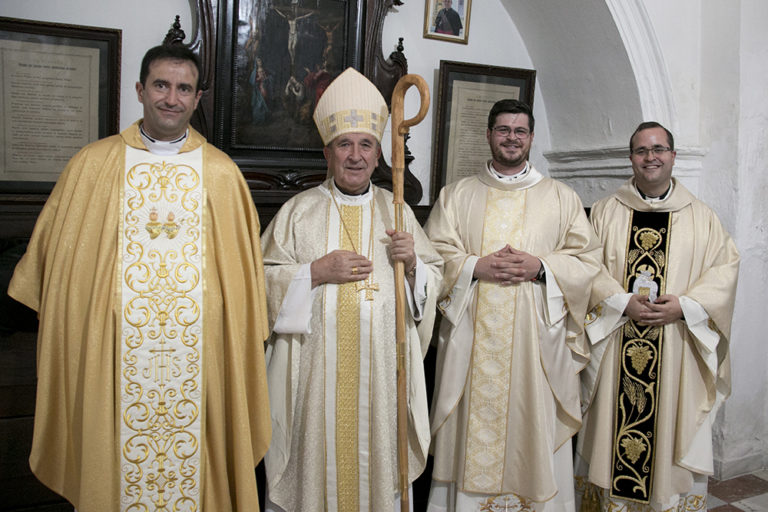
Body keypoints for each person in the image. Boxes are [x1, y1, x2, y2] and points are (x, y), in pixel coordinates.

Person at [7, 45, 271, 511]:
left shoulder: (222, 174)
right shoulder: (94, 165)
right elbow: (57, 265)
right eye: (161, 85)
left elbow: (245, 286)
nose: (172, 98)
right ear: (140, 90)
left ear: (197, 98)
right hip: (112, 358)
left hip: (200, 362)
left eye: (183, 88)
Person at [261, 67, 443, 511]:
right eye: (345, 144)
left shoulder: (396, 210)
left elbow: (434, 286)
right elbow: (261, 282)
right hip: (312, 382)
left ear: (380, 154)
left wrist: (415, 263)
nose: (356, 156)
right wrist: (314, 272)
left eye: (366, 145)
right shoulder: (297, 212)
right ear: (328, 152)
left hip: (383, 379)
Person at [425, 99, 602, 511]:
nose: (511, 138)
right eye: (503, 130)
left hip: (534, 345)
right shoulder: (457, 196)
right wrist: (474, 266)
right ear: (488, 135)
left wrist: (540, 265)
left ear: (532, 138)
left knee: (531, 423)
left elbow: (587, 260)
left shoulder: (560, 197)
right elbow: (433, 255)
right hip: (472, 341)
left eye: (520, 131)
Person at [575, 122, 740, 511]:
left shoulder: (702, 217)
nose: (651, 158)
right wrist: (619, 302)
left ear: (673, 156)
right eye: (642, 151)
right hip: (617, 343)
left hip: (675, 347)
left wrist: (685, 306)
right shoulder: (604, 212)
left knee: (668, 432)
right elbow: (585, 267)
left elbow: (725, 271)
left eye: (659, 149)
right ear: (631, 158)